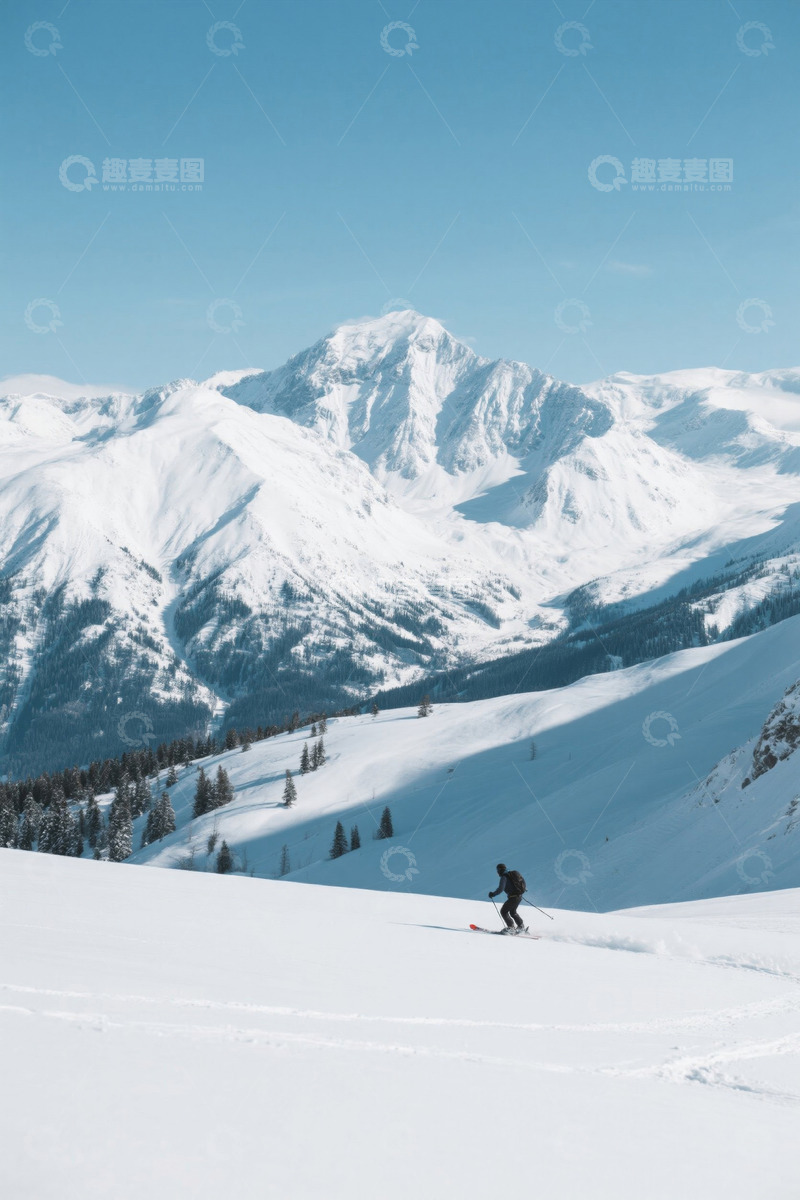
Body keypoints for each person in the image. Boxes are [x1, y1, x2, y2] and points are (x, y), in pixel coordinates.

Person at [488, 862, 528, 933]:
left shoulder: (504, 877)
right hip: (519, 896)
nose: (497, 873)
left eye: (497, 871)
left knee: (504, 911)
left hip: (513, 897)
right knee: (513, 912)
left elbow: (501, 889)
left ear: (500, 870)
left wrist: (493, 894)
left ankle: (511, 928)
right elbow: (523, 882)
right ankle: (521, 927)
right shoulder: (514, 874)